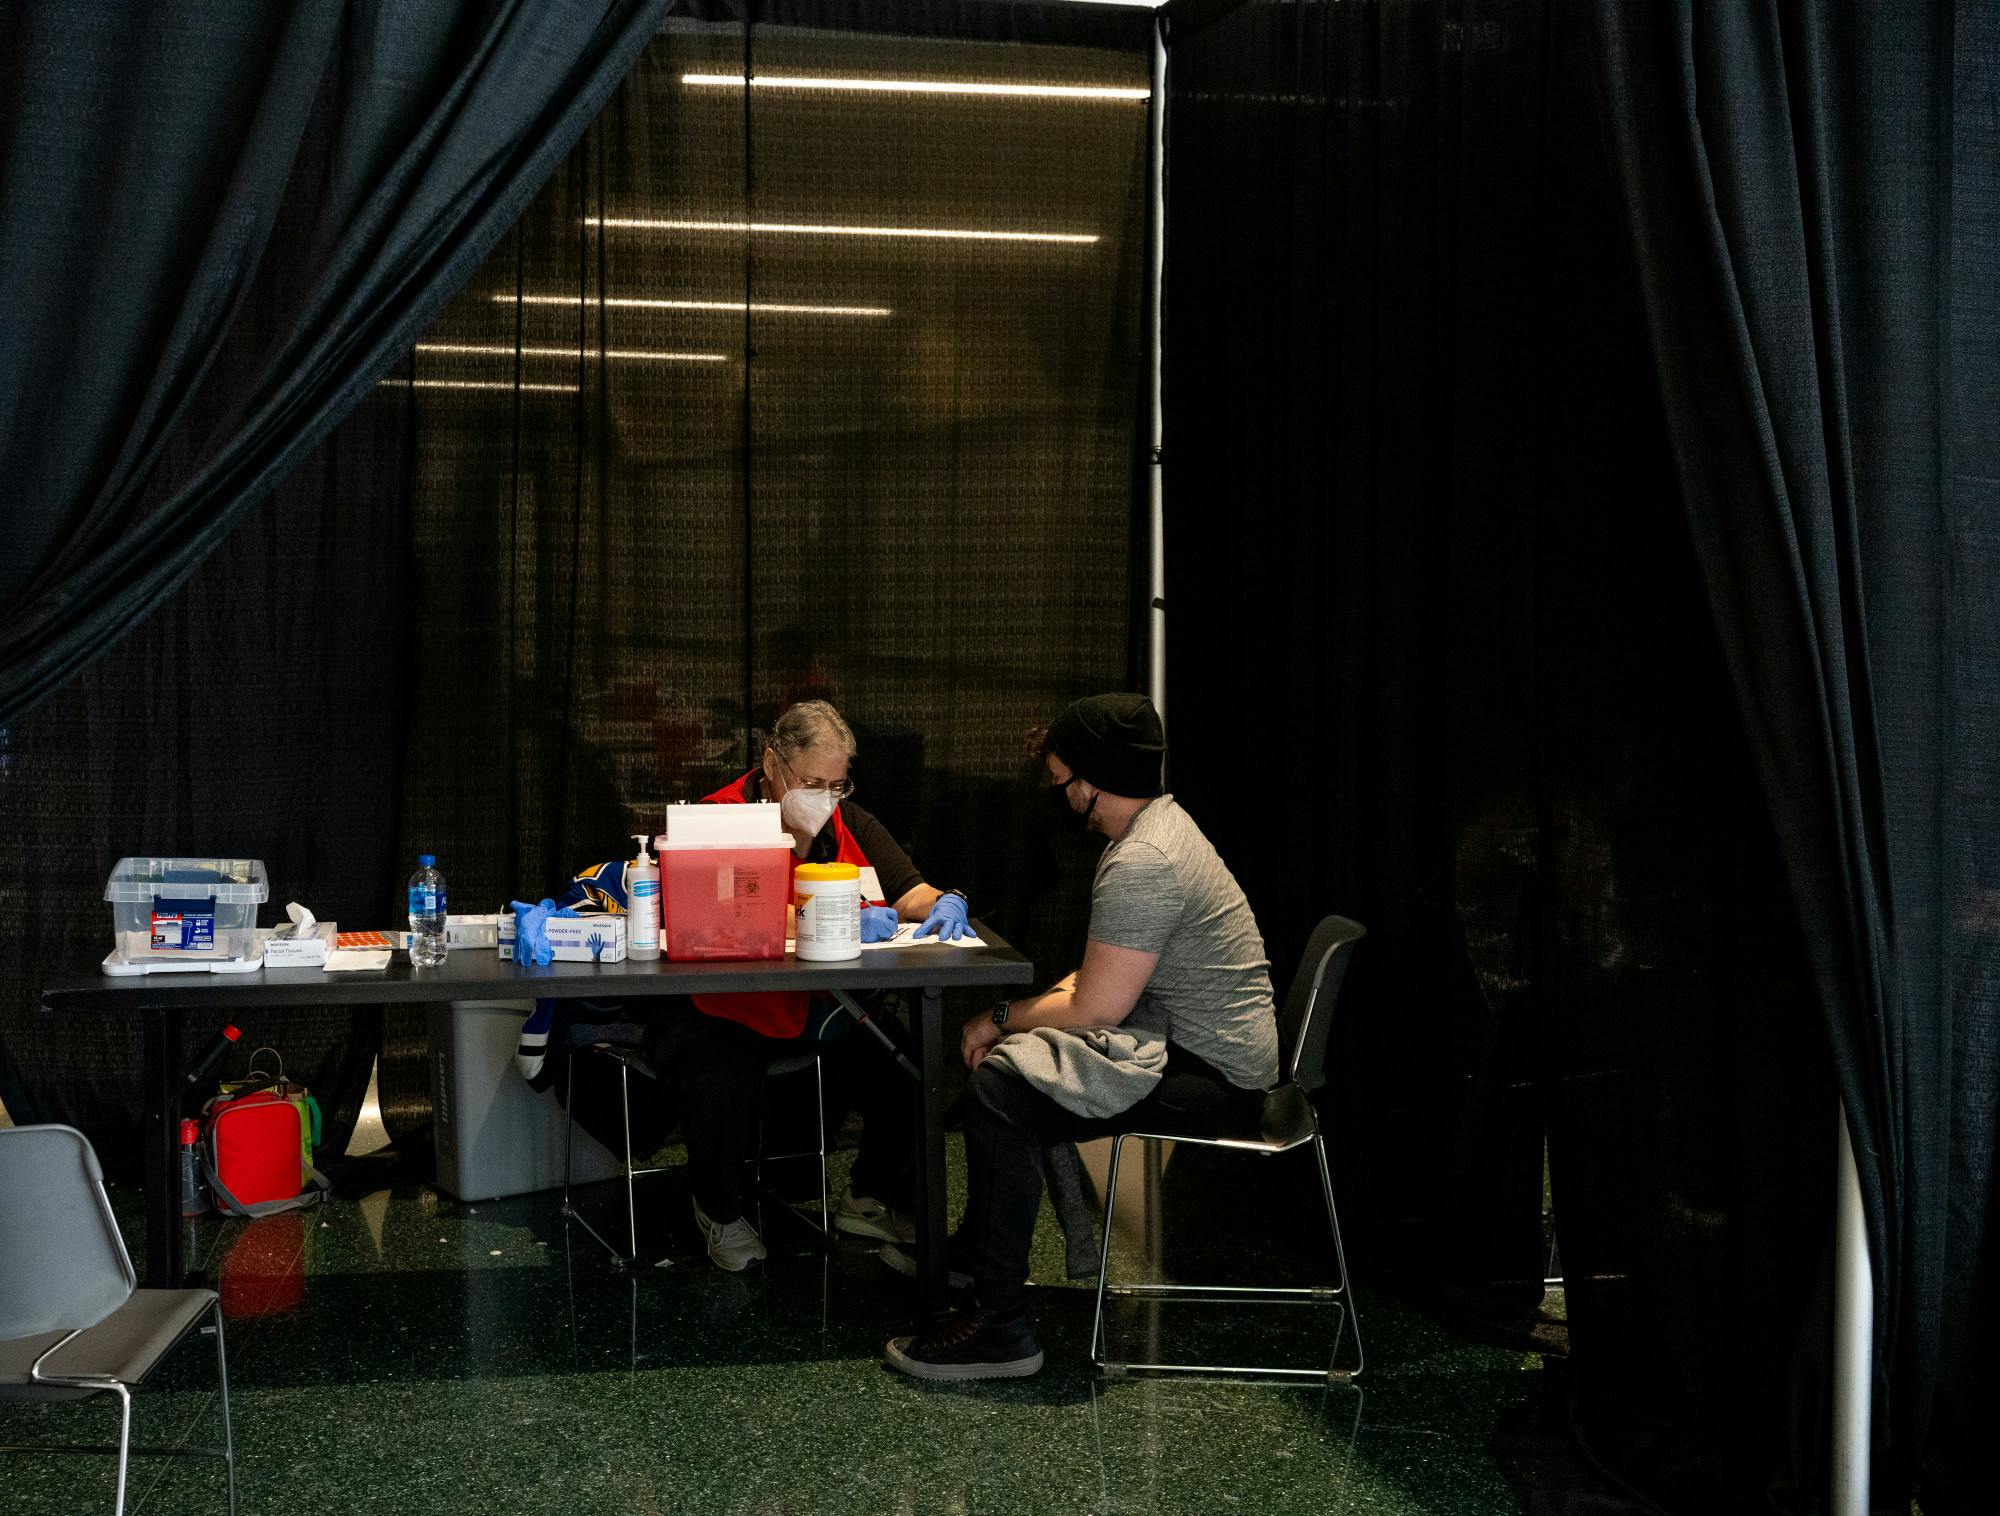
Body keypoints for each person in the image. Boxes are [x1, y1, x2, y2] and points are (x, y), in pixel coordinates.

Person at [882, 693, 1279, 1380]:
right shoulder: (1160, 829)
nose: (1059, 794)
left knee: (1002, 1091)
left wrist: (997, 1019)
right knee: (1014, 1072)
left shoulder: (1144, 861)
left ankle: (1000, 1326)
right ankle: (981, 1260)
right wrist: (1026, 1015)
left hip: (1218, 1078)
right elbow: (1102, 980)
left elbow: (1095, 1008)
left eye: (1062, 778)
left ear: (1092, 779)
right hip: (1199, 1047)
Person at [524, 700, 972, 1272]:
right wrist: (825, 918)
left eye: (838, 784)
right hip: (713, 1001)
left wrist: (947, 901)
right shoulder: (716, 822)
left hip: (809, 1001)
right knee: (717, 1073)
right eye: (812, 782)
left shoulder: (846, 822)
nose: (826, 797)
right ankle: (719, 1209)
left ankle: (870, 1196)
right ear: (772, 763)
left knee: (903, 1062)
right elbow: (704, 918)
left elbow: (907, 886)